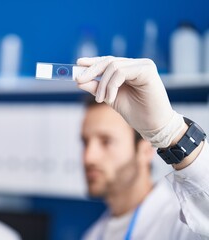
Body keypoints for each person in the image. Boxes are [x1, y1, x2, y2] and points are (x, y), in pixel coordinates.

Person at [75, 56, 209, 239]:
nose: (88, 157)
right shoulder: (93, 235)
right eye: (85, 142)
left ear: (145, 150)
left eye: (106, 141)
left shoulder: (185, 224)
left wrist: (171, 132)